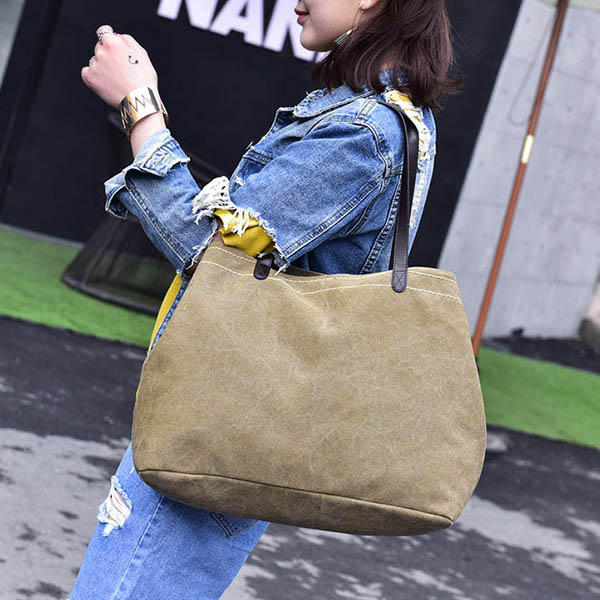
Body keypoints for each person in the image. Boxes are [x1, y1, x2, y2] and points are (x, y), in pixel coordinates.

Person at [72, 0, 461, 597]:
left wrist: (139, 108)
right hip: (235, 421)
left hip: (216, 426)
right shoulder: (390, 116)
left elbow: (213, 258)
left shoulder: (362, 131)